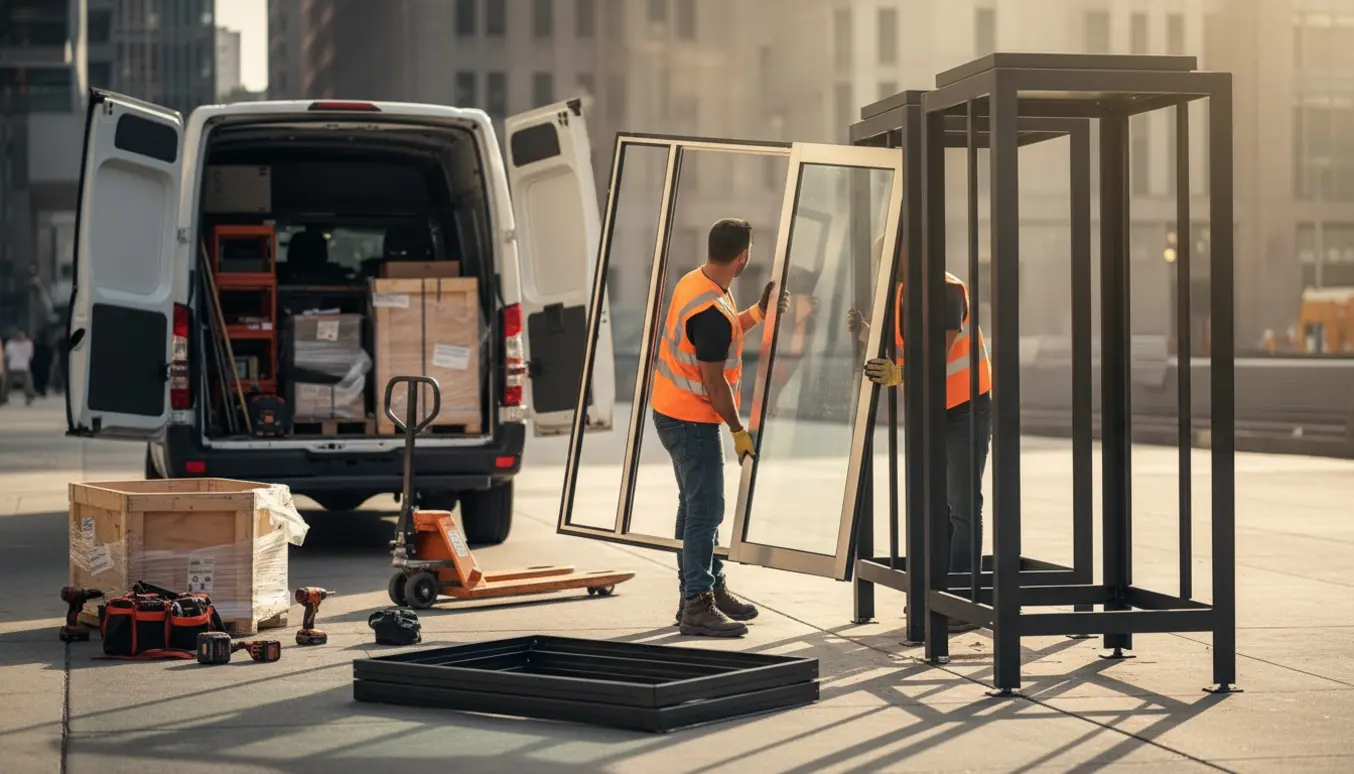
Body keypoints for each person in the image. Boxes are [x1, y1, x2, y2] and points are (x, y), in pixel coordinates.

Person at [651, 218, 785, 637]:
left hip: (673, 411)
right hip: (691, 420)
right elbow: (713, 381)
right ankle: (697, 604)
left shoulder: (699, 282)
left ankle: (706, 587)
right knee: (705, 510)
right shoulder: (709, 310)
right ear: (743, 257)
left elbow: (723, 335)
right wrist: (738, 429)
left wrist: (758, 313)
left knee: (694, 506)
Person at [850, 240, 992, 632]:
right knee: (939, 508)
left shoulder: (947, 290)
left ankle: (963, 601)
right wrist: (866, 334)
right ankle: (937, 594)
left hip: (965, 408)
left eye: (889, 256)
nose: (884, 264)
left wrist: (899, 374)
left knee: (963, 508)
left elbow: (935, 357)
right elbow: (903, 347)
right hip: (931, 411)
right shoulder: (899, 295)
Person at [3, 330, 38, 406]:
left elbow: (30, 355)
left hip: (22, 366)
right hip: (14, 366)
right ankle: (3, 397)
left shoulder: (27, 343)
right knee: (7, 384)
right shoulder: (11, 344)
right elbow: (7, 356)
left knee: (27, 383)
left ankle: (29, 397)